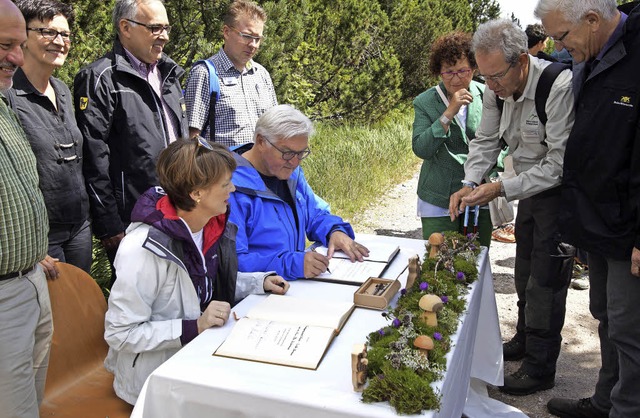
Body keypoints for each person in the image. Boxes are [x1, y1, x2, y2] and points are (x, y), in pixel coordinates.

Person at [104, 137, 289, 405]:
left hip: (198, 359)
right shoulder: (141, 250)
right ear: (197, 193)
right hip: (156, 385)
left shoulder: (209, 226)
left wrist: (258, 283)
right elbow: (121, 333)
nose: (233, 189)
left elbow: (200, 287)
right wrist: (194, 326)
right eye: (225, 184)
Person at [448, 19, 575, 396]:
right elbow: (486, 139)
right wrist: (470, 182)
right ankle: (523, 339)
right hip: (527, 188)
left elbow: (558, 165)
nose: (490, 87)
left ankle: (540, 366)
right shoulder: (495, 86)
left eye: (496, 77)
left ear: (522, 61)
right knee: (524, 270)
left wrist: (499, 188)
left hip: (558, 192)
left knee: (546, 280)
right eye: (484, 78)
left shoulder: (557, 85)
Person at [536, 0, 640, 416]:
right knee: (605, 316)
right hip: (596, 217)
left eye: (562, 37)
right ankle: (605, 402)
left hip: (629, 227)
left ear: (593, 20)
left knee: (631, 329)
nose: (558, 47)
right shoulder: (589, 55)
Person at [74, 0, 188, 283]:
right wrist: (109, 224)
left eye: (166, 28)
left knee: (180, 294)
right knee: (140, 303)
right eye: (155, 28)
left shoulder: (170, 74)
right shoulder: (101, 78)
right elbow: (93, 157)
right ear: (125, 27)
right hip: (135, 219)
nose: (164, 36)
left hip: (180, 210)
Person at [227, 104, 369, 281]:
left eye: (301, 153)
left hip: (290, 285)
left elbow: (314, 214)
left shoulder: (290, 173)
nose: (295, 162)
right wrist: (293, 264)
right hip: (254, 296)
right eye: (287, 153)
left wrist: (334, 231)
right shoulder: (229, 187)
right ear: (261, 141)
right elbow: (233, 262)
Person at [7, 0, 92, 274]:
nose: (59, 41)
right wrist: (33, 247)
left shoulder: (63, 90)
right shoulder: (8, 97)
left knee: (81, 308)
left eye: (65, 34)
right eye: (48, 32)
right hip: (42, 237)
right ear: (25, 39)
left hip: (79, 226)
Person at [0, 0, 54, 415]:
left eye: (19, 45)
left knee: (29, 402)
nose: (16, 58)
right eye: (5, 45)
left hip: (32, 279)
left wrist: (36, 251)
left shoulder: (4, 103)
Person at [411, 31, 492, 247]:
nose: (456, 79)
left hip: (479, 193)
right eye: (448, 72)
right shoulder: (425, 102)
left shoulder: (489, 94)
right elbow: (421, 148)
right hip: (438, 197)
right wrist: (448, 113)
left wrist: (487, 173)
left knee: (474, 261)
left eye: (463, 71)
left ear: (474, 68)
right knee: (440, 262)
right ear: (439, 72)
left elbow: (503, 143)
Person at [184, 0, 277, 147]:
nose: (253, 45)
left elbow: (275, 127)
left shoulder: (262, 75)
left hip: (263, 168)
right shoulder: (205, 74)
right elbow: (191, 137)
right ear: (226, 32)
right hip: (223, 167)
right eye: (247, 36)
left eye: (257, 39)